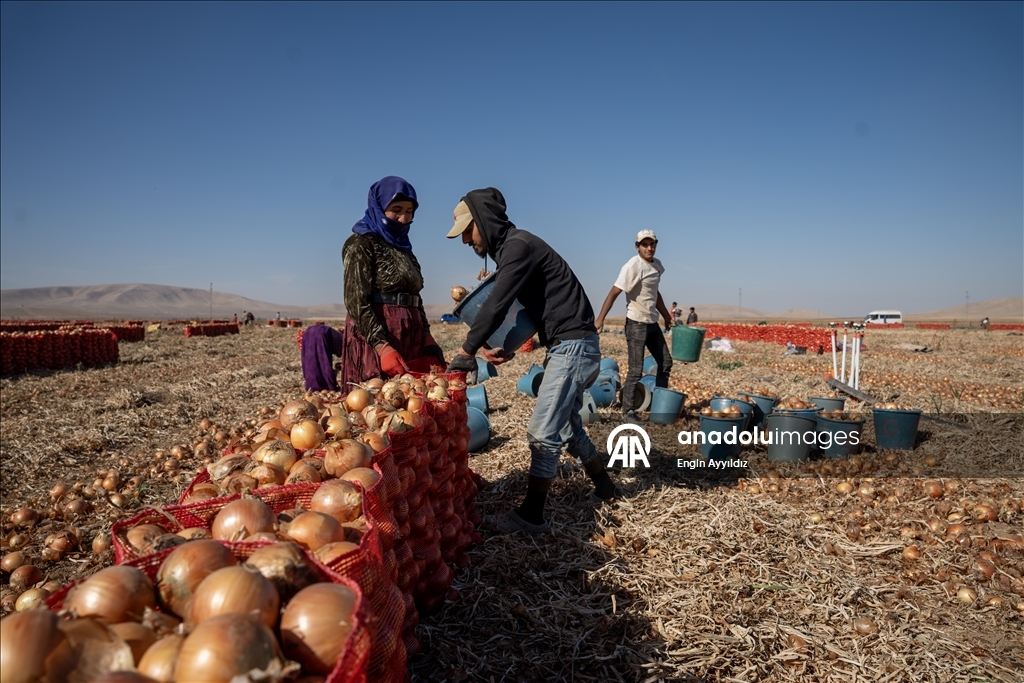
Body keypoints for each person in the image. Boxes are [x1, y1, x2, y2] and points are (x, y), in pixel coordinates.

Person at [444, 188, 619, 533]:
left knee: (541, 432)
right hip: (572, 345)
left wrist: (466, 351)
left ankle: (532, 515)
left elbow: (496, 303)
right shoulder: (516, 249)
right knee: (567, 427)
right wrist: (511, 346)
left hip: (573, 348)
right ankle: (606, 487)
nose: (465, 240)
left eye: (468, 230)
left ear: (483, 220)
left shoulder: (518, 247)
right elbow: (539, 312)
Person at [340, 176, 445, 384]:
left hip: (409, 336)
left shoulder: (404, 250)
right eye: (396, 209)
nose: (404, 218)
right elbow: (356, 300)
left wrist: (426, 335)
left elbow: (415, 296)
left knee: (411, 401)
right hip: (378, 335)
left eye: (409, 211)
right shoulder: (362, 244)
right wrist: (381, 346)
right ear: (379, 207)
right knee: (377, 403)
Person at [594, 230, 673, 424]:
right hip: (636, 323)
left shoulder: (656, 265)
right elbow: (614, 292)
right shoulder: (633, 266)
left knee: (666, 363)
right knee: (636, 370)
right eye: (644, 244)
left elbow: (655, 293)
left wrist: (666, 316)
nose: (649, 248)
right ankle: (627, 412)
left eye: (652, 244)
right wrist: (600, 318)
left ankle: (659, 409)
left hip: (652, 323)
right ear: (637, 246)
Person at [302, 324, 345, 391]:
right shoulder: (343, 342)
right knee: (324, 362)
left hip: (308, 333)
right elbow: (342, 354)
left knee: (310, 360)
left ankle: (311, 385)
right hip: (321, 335)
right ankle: (326, 385)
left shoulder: (338, 336)